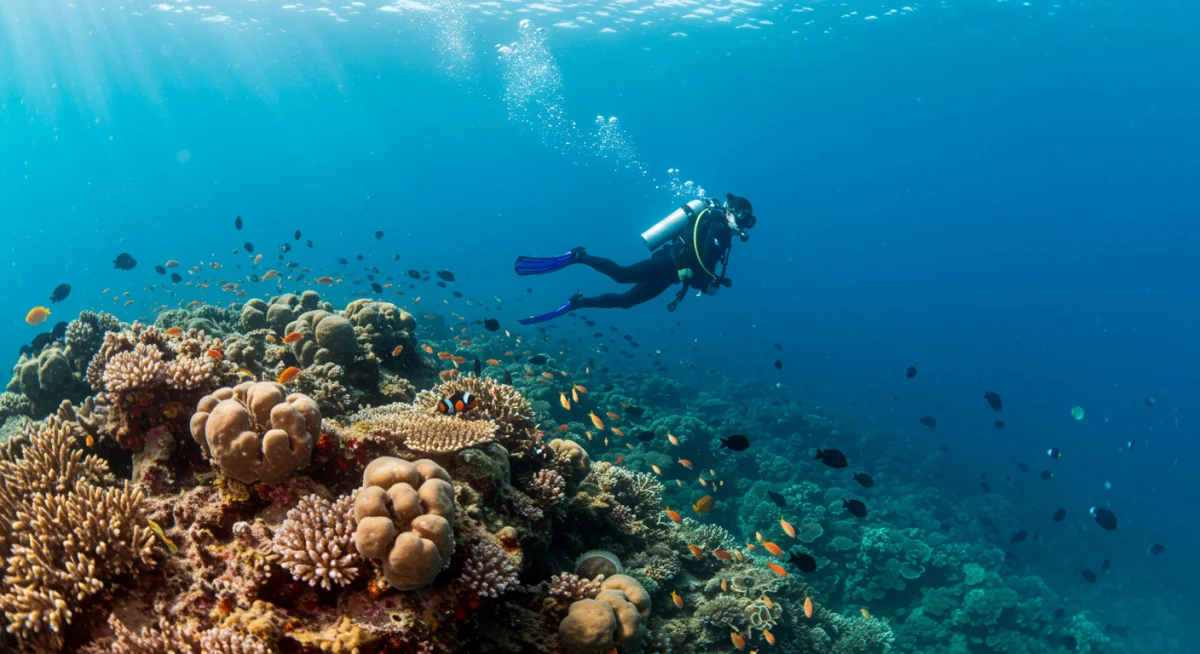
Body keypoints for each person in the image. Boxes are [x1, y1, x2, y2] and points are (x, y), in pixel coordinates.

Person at [515, 193, 756, 324]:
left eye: (749, 222)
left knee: (626, 301)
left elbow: (702, 266)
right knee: (622, 275)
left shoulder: (720, 230)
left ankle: (578, 302)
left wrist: (708, 281)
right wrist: (709, 283)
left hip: (672, 272)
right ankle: (579, 256)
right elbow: (703, 264)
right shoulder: (717, 226)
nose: (744, 225)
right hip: (669, 264)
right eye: (744, 218)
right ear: (731, 211)